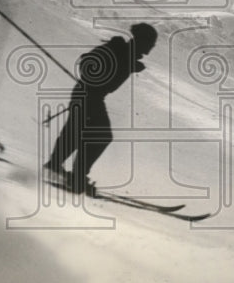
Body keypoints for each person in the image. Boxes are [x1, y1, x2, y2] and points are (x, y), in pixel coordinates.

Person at [45, 23, 158, 194]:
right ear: (141, 41)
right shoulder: (116, 49)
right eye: (150, 43)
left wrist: (130, 65)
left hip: (90, 97)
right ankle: (75, 176)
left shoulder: (126, 54)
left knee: (77, 133)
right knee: (99, 136)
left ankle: (55, 167)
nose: (151, 47)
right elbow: (87, 62)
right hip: (88, 96)